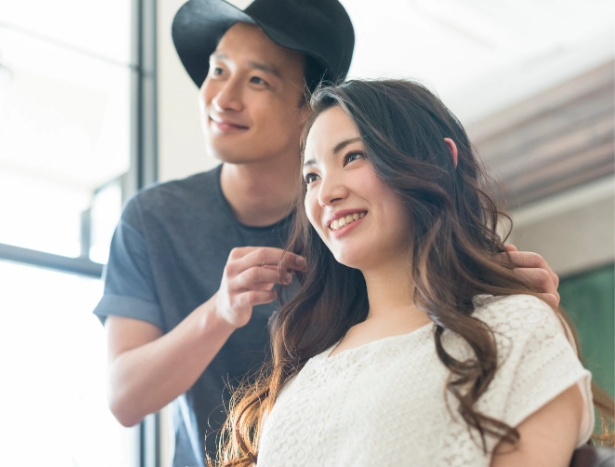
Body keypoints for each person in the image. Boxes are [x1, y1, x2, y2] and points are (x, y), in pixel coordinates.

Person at [93, 1, 562, 466]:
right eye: (218, 69)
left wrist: (505, 309)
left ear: (308, 109)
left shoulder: (362, 232)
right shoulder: (152, 219)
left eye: (257, 79)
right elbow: (124, 398)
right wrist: (221, 311)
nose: (223, 97)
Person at [217, 80, 615, 467]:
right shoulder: (305, 370)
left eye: (353, 156)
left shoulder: (515, 330)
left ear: (440, 160)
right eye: (311, 177)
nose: (325, 194)